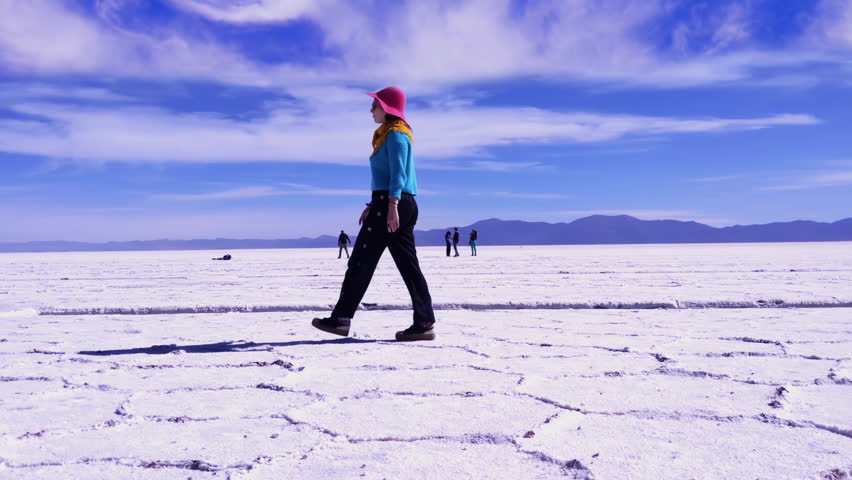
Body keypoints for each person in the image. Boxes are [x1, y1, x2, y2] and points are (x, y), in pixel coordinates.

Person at [312, 86, 436, 341]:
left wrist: (390, 206)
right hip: (392, 202)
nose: (371, 109)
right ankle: (424, 323)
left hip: (394, 203)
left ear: (387, 108)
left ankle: (341, 319)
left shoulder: (396, 135)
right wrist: (373, 205)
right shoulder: (389, 134)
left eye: (375, 105)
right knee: (407, 266)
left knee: (360, 262)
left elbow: (398, 174)